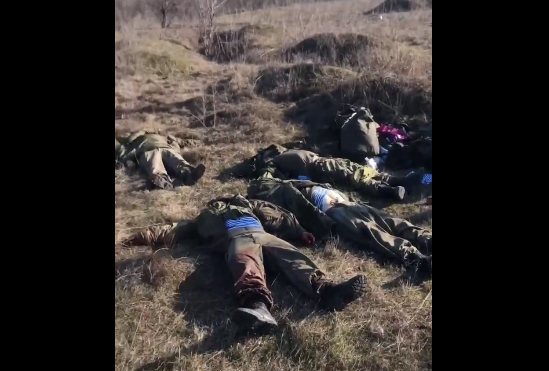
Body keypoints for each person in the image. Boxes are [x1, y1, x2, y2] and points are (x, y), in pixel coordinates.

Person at [123, 194, 368, 332]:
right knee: (244, 261)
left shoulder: (246, 205)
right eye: (216, 202)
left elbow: (277, 215)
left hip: (262, 234)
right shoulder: (202, 219)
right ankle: (258, 307)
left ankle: (329, 292)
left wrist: (300, 231)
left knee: (294, 257)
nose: (220, 203)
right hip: (236, 239)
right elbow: (170, 229)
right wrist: (140, 236)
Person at [248, 175, 432, 274]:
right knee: (372, 232)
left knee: (392, 221)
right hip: (333, 212)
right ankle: (417, 259)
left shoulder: (295, 182)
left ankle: (427, 239)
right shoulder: (280, 196)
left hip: (348, 203)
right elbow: (284, 216)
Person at [244, 144, 424, 201]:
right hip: (319, 168)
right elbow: (270, 182)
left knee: (360, 169)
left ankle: (399, 180)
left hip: (325, 161)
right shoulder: (272, 165)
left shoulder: (282, 151)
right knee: (354, 176)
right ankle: (388, 191)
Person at [115, 131, 206, 190]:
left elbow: (183, 141)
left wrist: (200, 142)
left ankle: (190, 175)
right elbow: (122, 148)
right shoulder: (135, 139)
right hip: (148, 150)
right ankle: (163, 182)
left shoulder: (165, 137)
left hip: (166, 148)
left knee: (178, 160)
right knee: (155, 167)